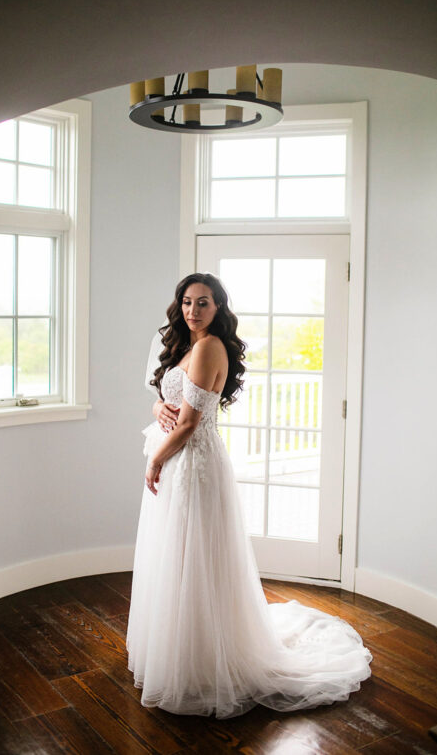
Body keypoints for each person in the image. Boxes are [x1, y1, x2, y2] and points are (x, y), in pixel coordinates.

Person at [127, 272, 372, 718]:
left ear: (219, 307)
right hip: (182, 459)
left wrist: (154, 460)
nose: (192, 311)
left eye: (203, 303)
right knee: (178, 557)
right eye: (186, 302)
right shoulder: (185, 345)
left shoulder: (207, 347)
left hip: (193, 465)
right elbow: (168, 400)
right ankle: (185, 647)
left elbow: (189, 425)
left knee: (193, 556)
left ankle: (205, 658)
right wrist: (157, 406)